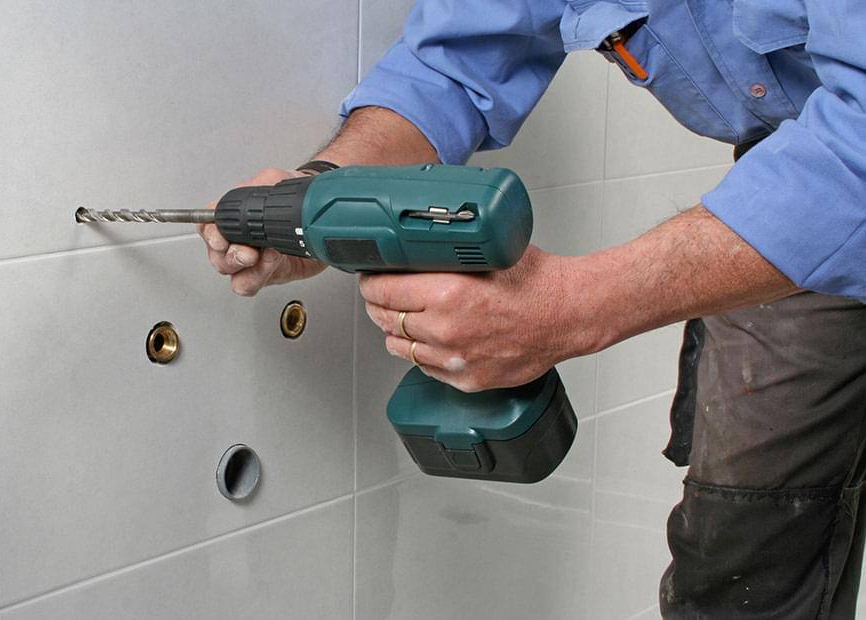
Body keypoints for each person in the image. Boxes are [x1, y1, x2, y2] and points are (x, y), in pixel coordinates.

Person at [197, 1, 866, 616]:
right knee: (741, 563)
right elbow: (450, 67)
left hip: (847, 158)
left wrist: (576, 307)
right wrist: (324, 194)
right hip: (796, 183)